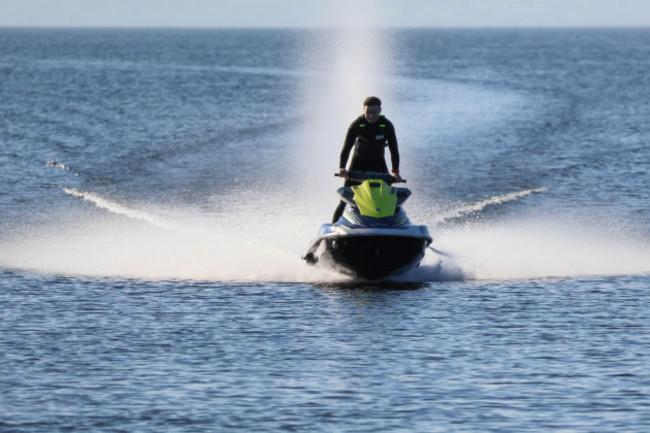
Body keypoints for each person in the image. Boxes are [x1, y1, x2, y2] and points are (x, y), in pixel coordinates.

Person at [332, 96, 403, 223]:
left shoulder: (386, 125)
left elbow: (394, 150)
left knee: (390, 199)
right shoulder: (357, 125)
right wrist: (342, 168)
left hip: (379, 164)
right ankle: (332, 227)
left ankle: (395, 226)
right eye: (368, 112)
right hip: (358, 164)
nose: (370, 116)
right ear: (363, 111)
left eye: (374, 112)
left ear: (380, 110)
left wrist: (395, 172)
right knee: (344, 200)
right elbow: (346, 148)